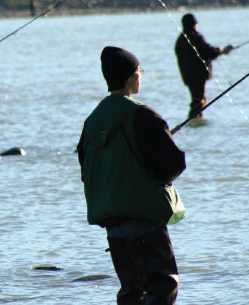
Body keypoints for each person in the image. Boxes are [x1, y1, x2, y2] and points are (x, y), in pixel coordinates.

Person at [77, 46, 187, 305]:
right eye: (140, 71)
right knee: (163, 286)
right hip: (144, 218)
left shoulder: (92, 120)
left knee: (131, 292)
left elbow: (86, 166)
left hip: (113, 223)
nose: (141, 75)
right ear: (129, 78)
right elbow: (174, 163)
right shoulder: (142, 114)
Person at [175, 13, 233, 119]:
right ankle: (194, 120)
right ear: (194, 24)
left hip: (187, 76)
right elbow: (209, 52)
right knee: (199, 100)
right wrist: (223, 50)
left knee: (197, 99)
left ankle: (196, 121)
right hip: (198, 75)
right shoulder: (195, 36)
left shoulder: (180, 39)